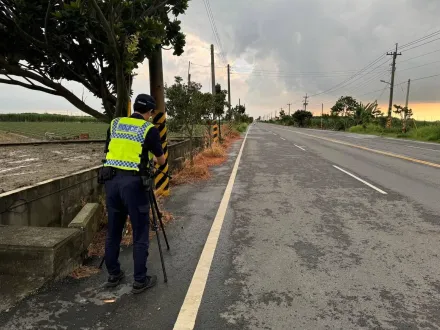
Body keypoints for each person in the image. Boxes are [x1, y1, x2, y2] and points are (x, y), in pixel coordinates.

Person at [102, 93, 165, 294]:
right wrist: (151, 162)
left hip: (111, 182)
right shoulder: (149, 129)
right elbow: (161, 160)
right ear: (150, 112)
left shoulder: (115, 124)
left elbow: (109, 151)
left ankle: (113, 274)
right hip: (134, 185)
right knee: (139, 232)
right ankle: (139, 280)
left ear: (134, 108)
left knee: (113, 231)